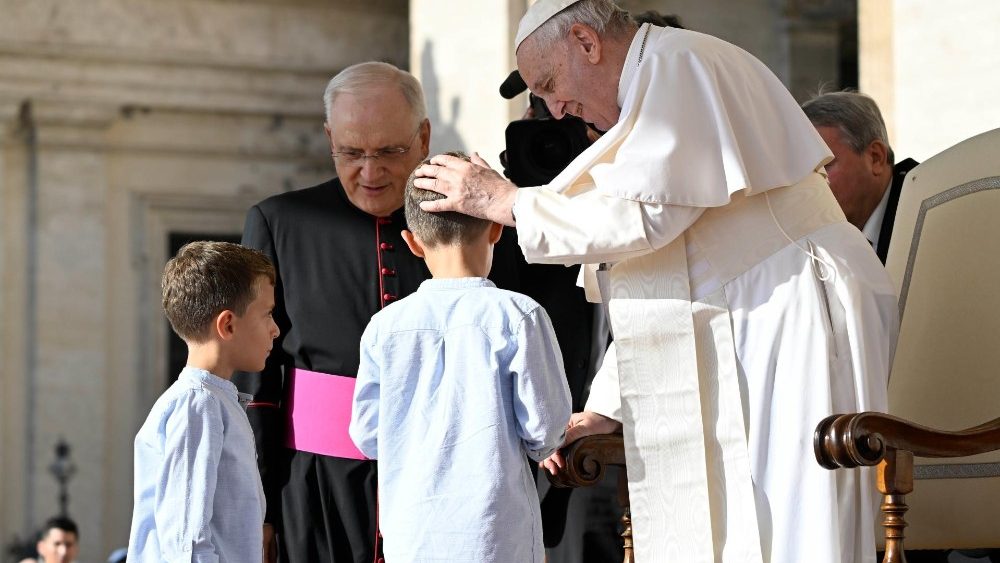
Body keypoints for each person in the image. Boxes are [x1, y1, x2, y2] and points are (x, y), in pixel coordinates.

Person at [412, 1, 898, 562]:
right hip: (752, 320)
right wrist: (604, 407)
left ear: (586, 43)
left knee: (797, 523)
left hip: (795, 315)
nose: (553, 107)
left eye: (548, 84)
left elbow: (643, 219)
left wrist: (508, 201)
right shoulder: (645, 93)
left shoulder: (680, 64)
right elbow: (653, 281)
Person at [234, 61, 523, 562]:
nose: (370, 172)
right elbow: (257, 388)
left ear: (424, 136)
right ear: (329, 138)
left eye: (390, 152)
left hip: (450, 485)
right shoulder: (280, 222)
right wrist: (256, 508)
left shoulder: (475, 219)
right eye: (350, 152)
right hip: (315, 484)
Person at [348, 154, 572, 562]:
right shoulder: (518, 315)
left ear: (412, 242)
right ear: (496, 229)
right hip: (496, 536)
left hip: (411, 535)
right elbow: (544, 430)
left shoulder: (384, 326)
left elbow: (367, 435)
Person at [126, 241, 277, 562]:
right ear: (228, 324)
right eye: (267, 314)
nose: (275, 330)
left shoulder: (215, 401)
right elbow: (186, 540)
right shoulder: (199, 405)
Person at [802, 90, 920, 263]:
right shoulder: (808, 233)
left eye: (823, 167)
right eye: (803, 172)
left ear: (876, 158)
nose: (808, 185)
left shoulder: (928, 214)